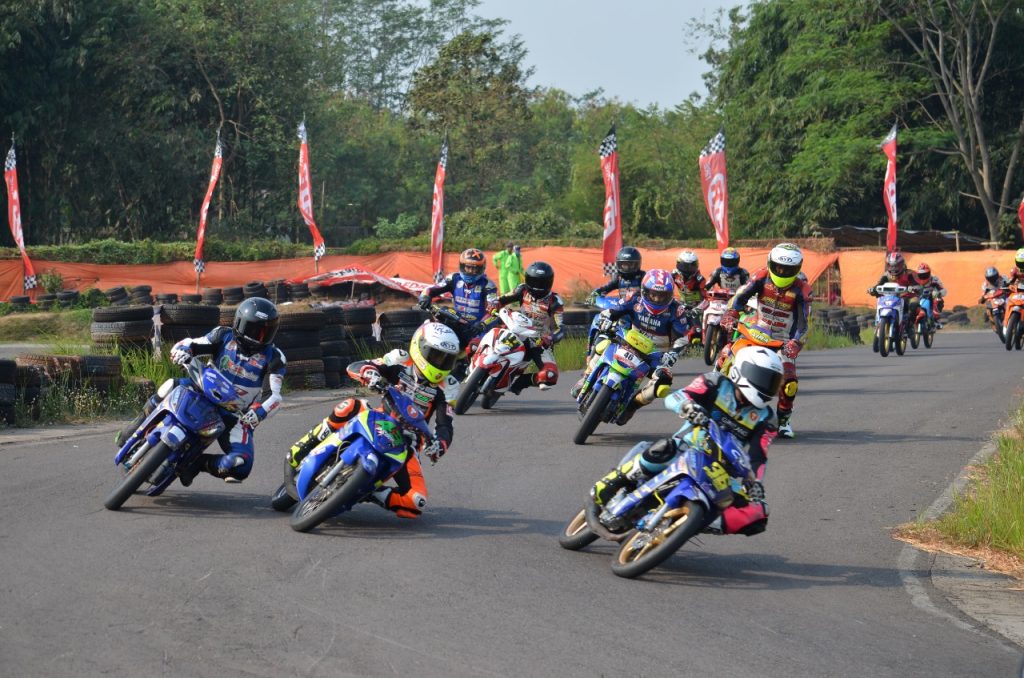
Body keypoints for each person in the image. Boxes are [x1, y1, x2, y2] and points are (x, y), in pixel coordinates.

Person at [591, 346, 783, 536]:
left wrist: (755, 483)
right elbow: (676, 396)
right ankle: (613, 481)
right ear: (741, 370)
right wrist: (688, 406)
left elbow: (759, 456)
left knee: (759, 512)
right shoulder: (715, 382)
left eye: (772, 382)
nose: (767, 386)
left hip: (721, 473)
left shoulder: (767, 418)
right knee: (662, 449)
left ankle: (698, 522)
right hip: (687, 448)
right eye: (762, 378)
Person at [286, 322, 461, 519]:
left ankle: (367, 492)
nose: (441, 363)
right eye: (436, 356)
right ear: (419, 347)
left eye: (447, 359)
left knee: (416, 500)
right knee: (350, 405)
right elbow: (359, 365)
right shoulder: (400, 360)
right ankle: (305, 445)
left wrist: (439, 445)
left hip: (408, 443)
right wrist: (370, 373)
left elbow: (446, 424)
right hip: (378, 418)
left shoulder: (448, 386)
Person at [122, 297, 286, 485]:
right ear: (239, 323)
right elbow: (193, 343)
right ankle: (135, 426)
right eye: (254, 330)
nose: (259, 338)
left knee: (241, 465)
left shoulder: (275, 357)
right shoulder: (223, 335)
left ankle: (196, 464)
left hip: (235, 414)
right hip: (200, 389)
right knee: (169, 385)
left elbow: (274, 395)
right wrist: (183, 351)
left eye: (266, 333)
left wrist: (258, 412)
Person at [720, 243, 811, 439]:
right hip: (755, 330)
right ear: (771, 263)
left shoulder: (802, 289)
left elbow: (804, 323)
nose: (782, 272)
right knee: (726, 355)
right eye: (779, 267)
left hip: (782, 341)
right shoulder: (760, 276)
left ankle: (784, 420)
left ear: (797, 268)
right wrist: (731, 313)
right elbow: (740, 296)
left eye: (788, 269)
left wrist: (796, 342)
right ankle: (711, 396)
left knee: (790, 382)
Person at [575, 269, 689, 421]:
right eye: (653, 294)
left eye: (662, 296)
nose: (657, 299)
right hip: (628, 341)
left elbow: (682, 338)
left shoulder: (677, 310)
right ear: (644, 291)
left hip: (654, 355)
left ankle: (633, 405)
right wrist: (608, 318)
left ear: (670, 295)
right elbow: (615, 310)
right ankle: (586, 376)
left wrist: (673, 353)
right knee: (603, 340)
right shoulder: (634, 297)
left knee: (664, 381)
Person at [493, 261, 565, 394]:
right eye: (534, 282)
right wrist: (494, 304)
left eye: (542, 283)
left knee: (550, 375)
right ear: (527, 279)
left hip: (538, 341)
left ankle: (521, 382)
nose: (537, 287)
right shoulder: (522, 289)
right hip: (516, 330)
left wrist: (550, 338)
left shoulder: (555, 301)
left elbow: (561, 329)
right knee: (491, 331)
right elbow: (502, 299)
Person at [419, 247, 498, 349]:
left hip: (476, 329)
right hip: (456, 322)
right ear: (462, 266)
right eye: (468, 267)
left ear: (481, 268)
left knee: (474, 348)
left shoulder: (488, 285)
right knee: (433, 334)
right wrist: (425, 297)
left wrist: (482, 324)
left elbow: (494, 311)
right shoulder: (453, 279)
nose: (471, 271)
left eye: (475, 268)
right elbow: (430, 289)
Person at [867, 250, 921, 332]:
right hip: (890, 298)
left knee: (914, 304)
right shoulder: (886, 275)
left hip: (908, 297)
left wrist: (914, 288)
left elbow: (918, 285)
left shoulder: (909, 274)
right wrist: (873, 290)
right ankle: (879, 324)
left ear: (901, 265)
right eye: (891, 266)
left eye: (896, 266)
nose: (893, 268)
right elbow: (879, 285)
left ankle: (910, 326)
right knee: (880, 302)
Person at [914, 263, 946, 327]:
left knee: (938, 299)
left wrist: (939, 293)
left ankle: (935, 319)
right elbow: (908, 287)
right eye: (921, 275)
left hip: (931, 297)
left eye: (925, 275)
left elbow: (943, 290)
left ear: (929, 273)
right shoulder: (915, 280)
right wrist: (909, 289)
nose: (923, 277)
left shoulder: (934, 279)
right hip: (918, 296)